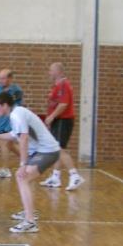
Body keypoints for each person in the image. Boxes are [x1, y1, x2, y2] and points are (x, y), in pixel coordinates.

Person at [0, 92, 60, 234]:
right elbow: (14, 135)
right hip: (40, 151)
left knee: (22, 177)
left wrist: (23, 165)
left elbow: (23, 139)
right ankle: (29, 212)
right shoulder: (17, 113)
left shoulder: (16, 115)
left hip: (47, 151)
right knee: (25, 178)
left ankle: (30, 222)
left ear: (4, 105)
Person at [39, 62, 84, 191]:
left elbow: (64, 104)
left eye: (51, 70)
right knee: (57, 148)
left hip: (63, 120)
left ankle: (75, 175)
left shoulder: (64, 85)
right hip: (58, 121)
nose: (49, 73)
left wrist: (52, 116)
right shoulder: (57, 86)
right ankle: (55, 177)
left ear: (58, 71)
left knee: (59, 149)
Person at [0, 69, 24, 179]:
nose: (1, 80)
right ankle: (28, 160)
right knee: (10, 145)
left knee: (4, 143)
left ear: (10, 78)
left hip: (11, 119)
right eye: (0, 78)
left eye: (3, 78)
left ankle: (5, 169)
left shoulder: (16, 90)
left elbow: (13, 104)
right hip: (1, 120)